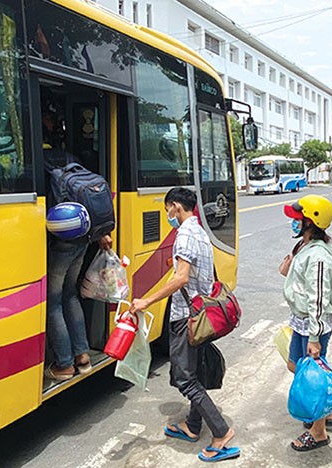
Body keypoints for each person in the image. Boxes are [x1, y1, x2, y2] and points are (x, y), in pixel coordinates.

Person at [130, 187, 240, 463]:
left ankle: (221, 432)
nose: (167, 214)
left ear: (176, 206)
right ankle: (192, 426)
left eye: (168, 208)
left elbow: (180, 279)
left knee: (184, 378)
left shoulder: (184, 235)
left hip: (186, 316)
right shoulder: (201, 232)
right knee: (195, 371)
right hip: (200, 314)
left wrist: (146, 301)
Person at [43, 117, 112, 381]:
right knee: (70, 295)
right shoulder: (69, 159)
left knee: (53, 302)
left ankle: (63, 363)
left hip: (61, 243)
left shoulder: (42, 162)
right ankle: (82, 356)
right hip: (83, 239)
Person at [281, 195, 332, 452]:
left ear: (310, 222)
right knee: (294, 365)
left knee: (313, 379)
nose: (294, 222)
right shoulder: (305, 247)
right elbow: (286, 273)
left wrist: (315, 338)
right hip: (301, 322)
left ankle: (319, 433)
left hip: (313, 325)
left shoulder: (319, 256)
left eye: (298, 219)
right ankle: (326, 412)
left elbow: (318, 296)